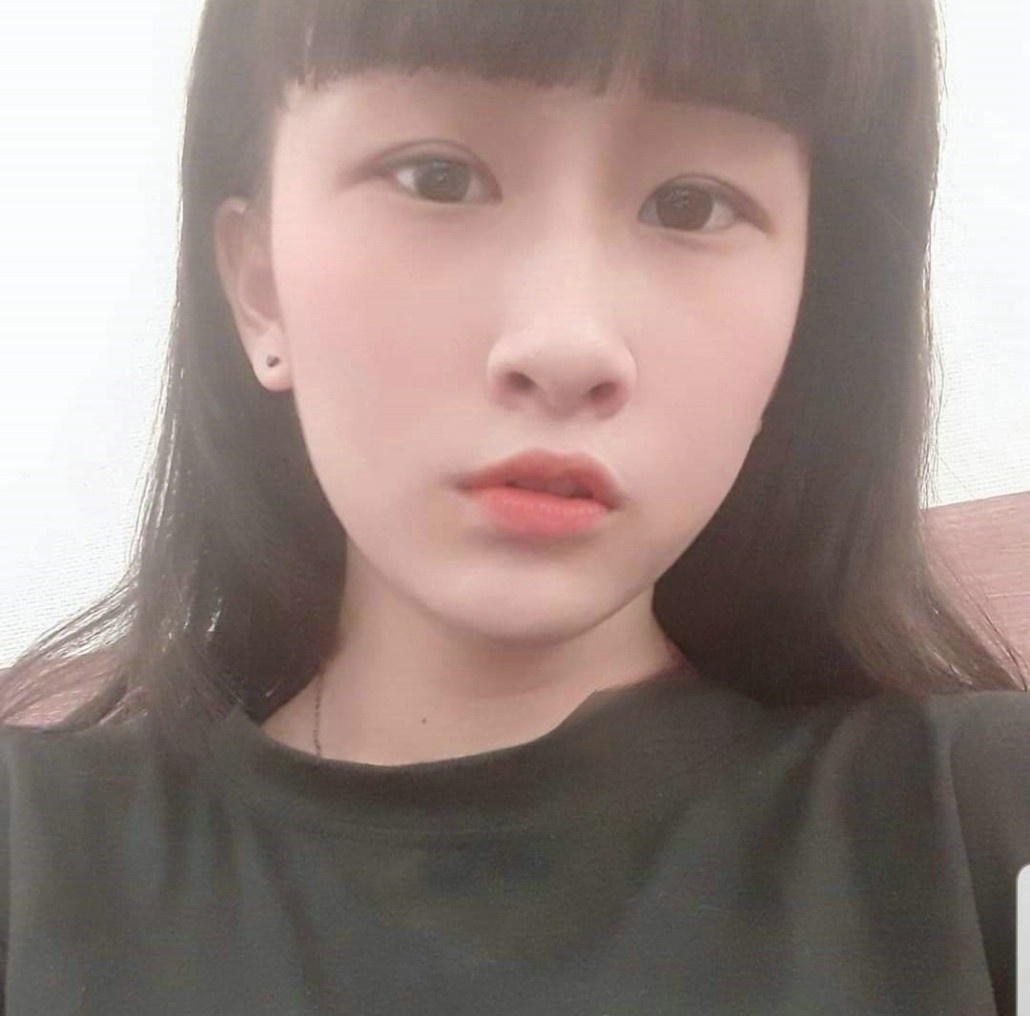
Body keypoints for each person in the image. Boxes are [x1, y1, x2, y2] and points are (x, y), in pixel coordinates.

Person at [1, 0, 1027, 1012]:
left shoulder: (978, 824)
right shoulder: (30, 863)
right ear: (260, 287)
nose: (565, 344)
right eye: (437, 177)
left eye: (690, 205)